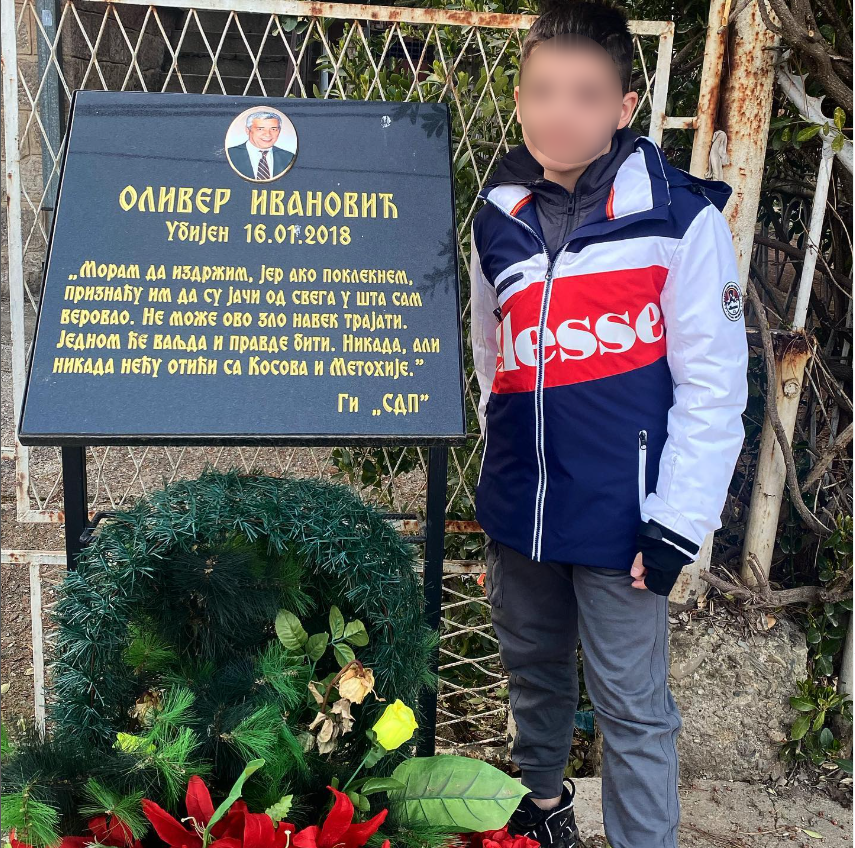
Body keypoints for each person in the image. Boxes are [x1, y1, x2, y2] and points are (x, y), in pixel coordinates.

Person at [468, 1, 749, 846]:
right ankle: (542, 812)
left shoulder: (680, 219)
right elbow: (491, 357)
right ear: (519, 99)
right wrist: (502, 470)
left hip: (626, 522)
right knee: (532, 675)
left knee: (632, 708)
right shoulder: (496, 215)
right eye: (542, 92)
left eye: (585, 95)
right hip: (521, 509)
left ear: (624, 107)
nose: (560, 113)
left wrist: (677, 522)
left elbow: (713, 387)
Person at [227, 110, 295, 180]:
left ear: (279, 131)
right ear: (247, 130)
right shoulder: (230, 155)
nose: (268, 134)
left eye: (273, 129)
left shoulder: (288, 157)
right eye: (260, 129)